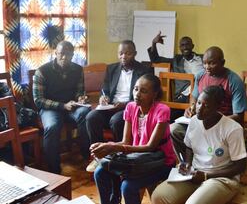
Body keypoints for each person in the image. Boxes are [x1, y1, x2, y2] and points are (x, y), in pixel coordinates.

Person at [151, 85, 247, 204]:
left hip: (221, 179)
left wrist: (206, 175)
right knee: (158, 196)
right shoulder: (194, 121)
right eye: (199, 103)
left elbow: (240, 166)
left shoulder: (233, 129)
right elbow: (189, 148)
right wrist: (187, 163)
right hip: (194, 174)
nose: (199, 109)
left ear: (218, 107)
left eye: (206, 106)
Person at [92, 74, 175, 204]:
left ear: (154, 94)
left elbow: (150, 147)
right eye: (136, 89)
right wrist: (103, 145)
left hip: (161, 161)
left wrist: (113, 147)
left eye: (144, 91)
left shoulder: (162, 110)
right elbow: (125, 141)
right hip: (136, 159)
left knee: (128, 187)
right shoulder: (131, 107)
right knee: (99, 173)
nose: (137, 94)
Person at [170, 46, 247, 158]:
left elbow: (239, 116)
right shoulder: (200, 75)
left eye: (211, 63)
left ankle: (208, 166)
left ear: (222, 62)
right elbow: (194, 97)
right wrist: (192, 107)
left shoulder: (234, 81)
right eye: (205, 63)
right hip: (201, 122)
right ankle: (189, 163)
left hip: (222, 125)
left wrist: (215, 122)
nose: (207, 67)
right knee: (174, 130)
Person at [86, 40, 152, 171]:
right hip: (111, 106)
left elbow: (145, 96)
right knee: (91, 117)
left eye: (127, 53)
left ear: (135, 54)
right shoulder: (111, 68)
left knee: (116, 121)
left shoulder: (144, 70)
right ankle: (98, 157)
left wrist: (124, 105)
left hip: (131, 107)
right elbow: (104, 89)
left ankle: (119, 156)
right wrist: (103, 98)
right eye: (121, 53)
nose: (123, 57)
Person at [33, 41, 90, 174]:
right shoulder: (42, 71)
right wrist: (62, 106)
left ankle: (87, 156)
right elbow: (38, 101)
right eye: (62, 54)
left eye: (68, 54)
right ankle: (54, 169)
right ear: (56, 53)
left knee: (86, 113)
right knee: (52, 126)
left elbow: (79, 92)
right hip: (50, 108)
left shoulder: (78, 69)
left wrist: (81, 98)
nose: (64, 57)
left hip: (71, 106)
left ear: (73, 55)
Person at [148, 32, 203, 119]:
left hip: (201, 93)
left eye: (187, 44)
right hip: (183, 95)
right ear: (180, 48)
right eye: (182, 45)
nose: (185, 47)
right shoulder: (176, 60)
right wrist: (154, 43)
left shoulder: (202, 58)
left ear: (193, 46)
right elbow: (155, 59)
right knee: (166, 116)